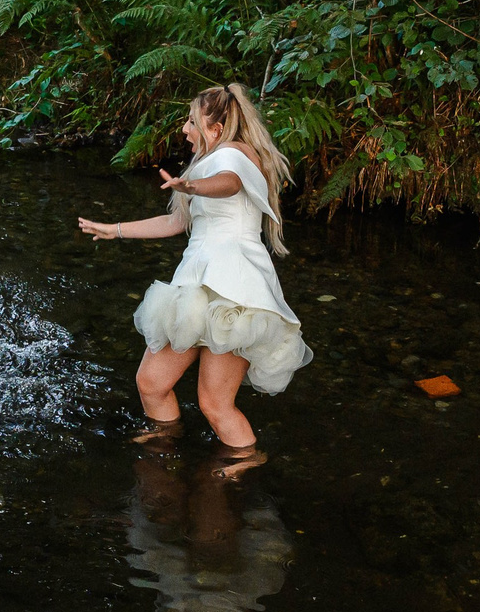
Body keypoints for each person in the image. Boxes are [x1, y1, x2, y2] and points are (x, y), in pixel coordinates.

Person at [77, 82, 311, 447]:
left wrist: (196, 188)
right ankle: (164, 444)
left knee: (215, 404)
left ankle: (245, 463)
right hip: (200, 285)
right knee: (153, 384)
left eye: (191, 122)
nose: (185, 129)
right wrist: (115, 230)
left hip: (233, 287)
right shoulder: (208, 161)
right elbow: (175, 223)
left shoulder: (232, 154)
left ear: (215, 130)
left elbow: (229, 184)